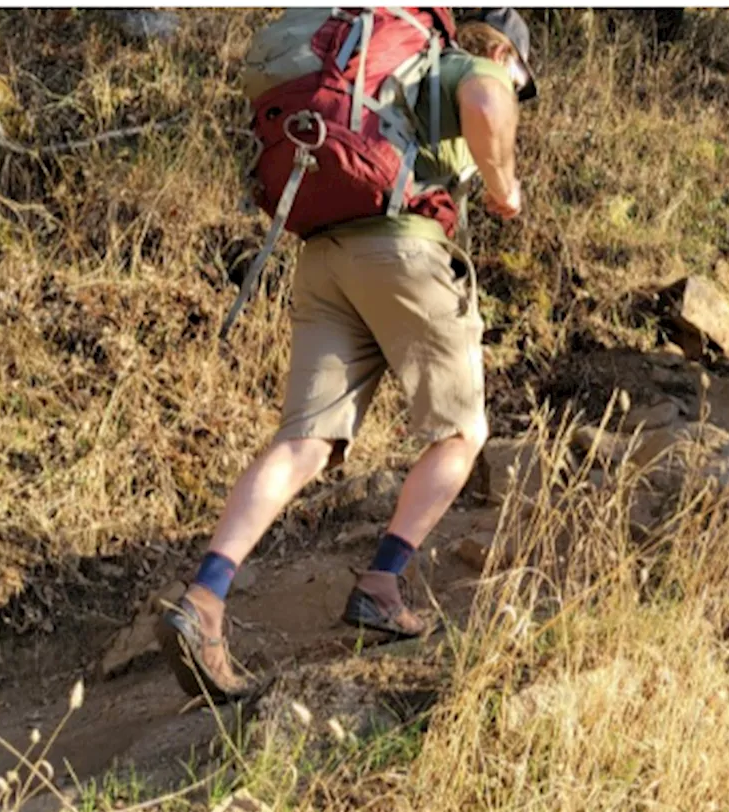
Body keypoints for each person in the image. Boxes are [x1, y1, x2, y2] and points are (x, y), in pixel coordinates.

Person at [158, 8, 538, 701]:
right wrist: (505, 185)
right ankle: (381, 584)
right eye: (524, 74)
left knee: (305, 441)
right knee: (462, 432)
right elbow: (487, 97)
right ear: (506, 47)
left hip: (323, 254)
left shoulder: (378, 67)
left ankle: (206, 598)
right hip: (402, 246)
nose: (519, 86)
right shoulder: (464, 60)